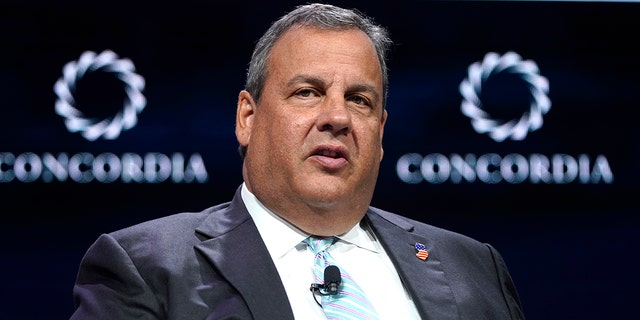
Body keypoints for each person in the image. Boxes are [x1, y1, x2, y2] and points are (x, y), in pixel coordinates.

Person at [70, 3, 525, 319]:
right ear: (247, 117)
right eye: (307, 93)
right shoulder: (147, 267)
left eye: (360, 100)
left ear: (381, 132)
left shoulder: (474, 266)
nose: (337, 117)